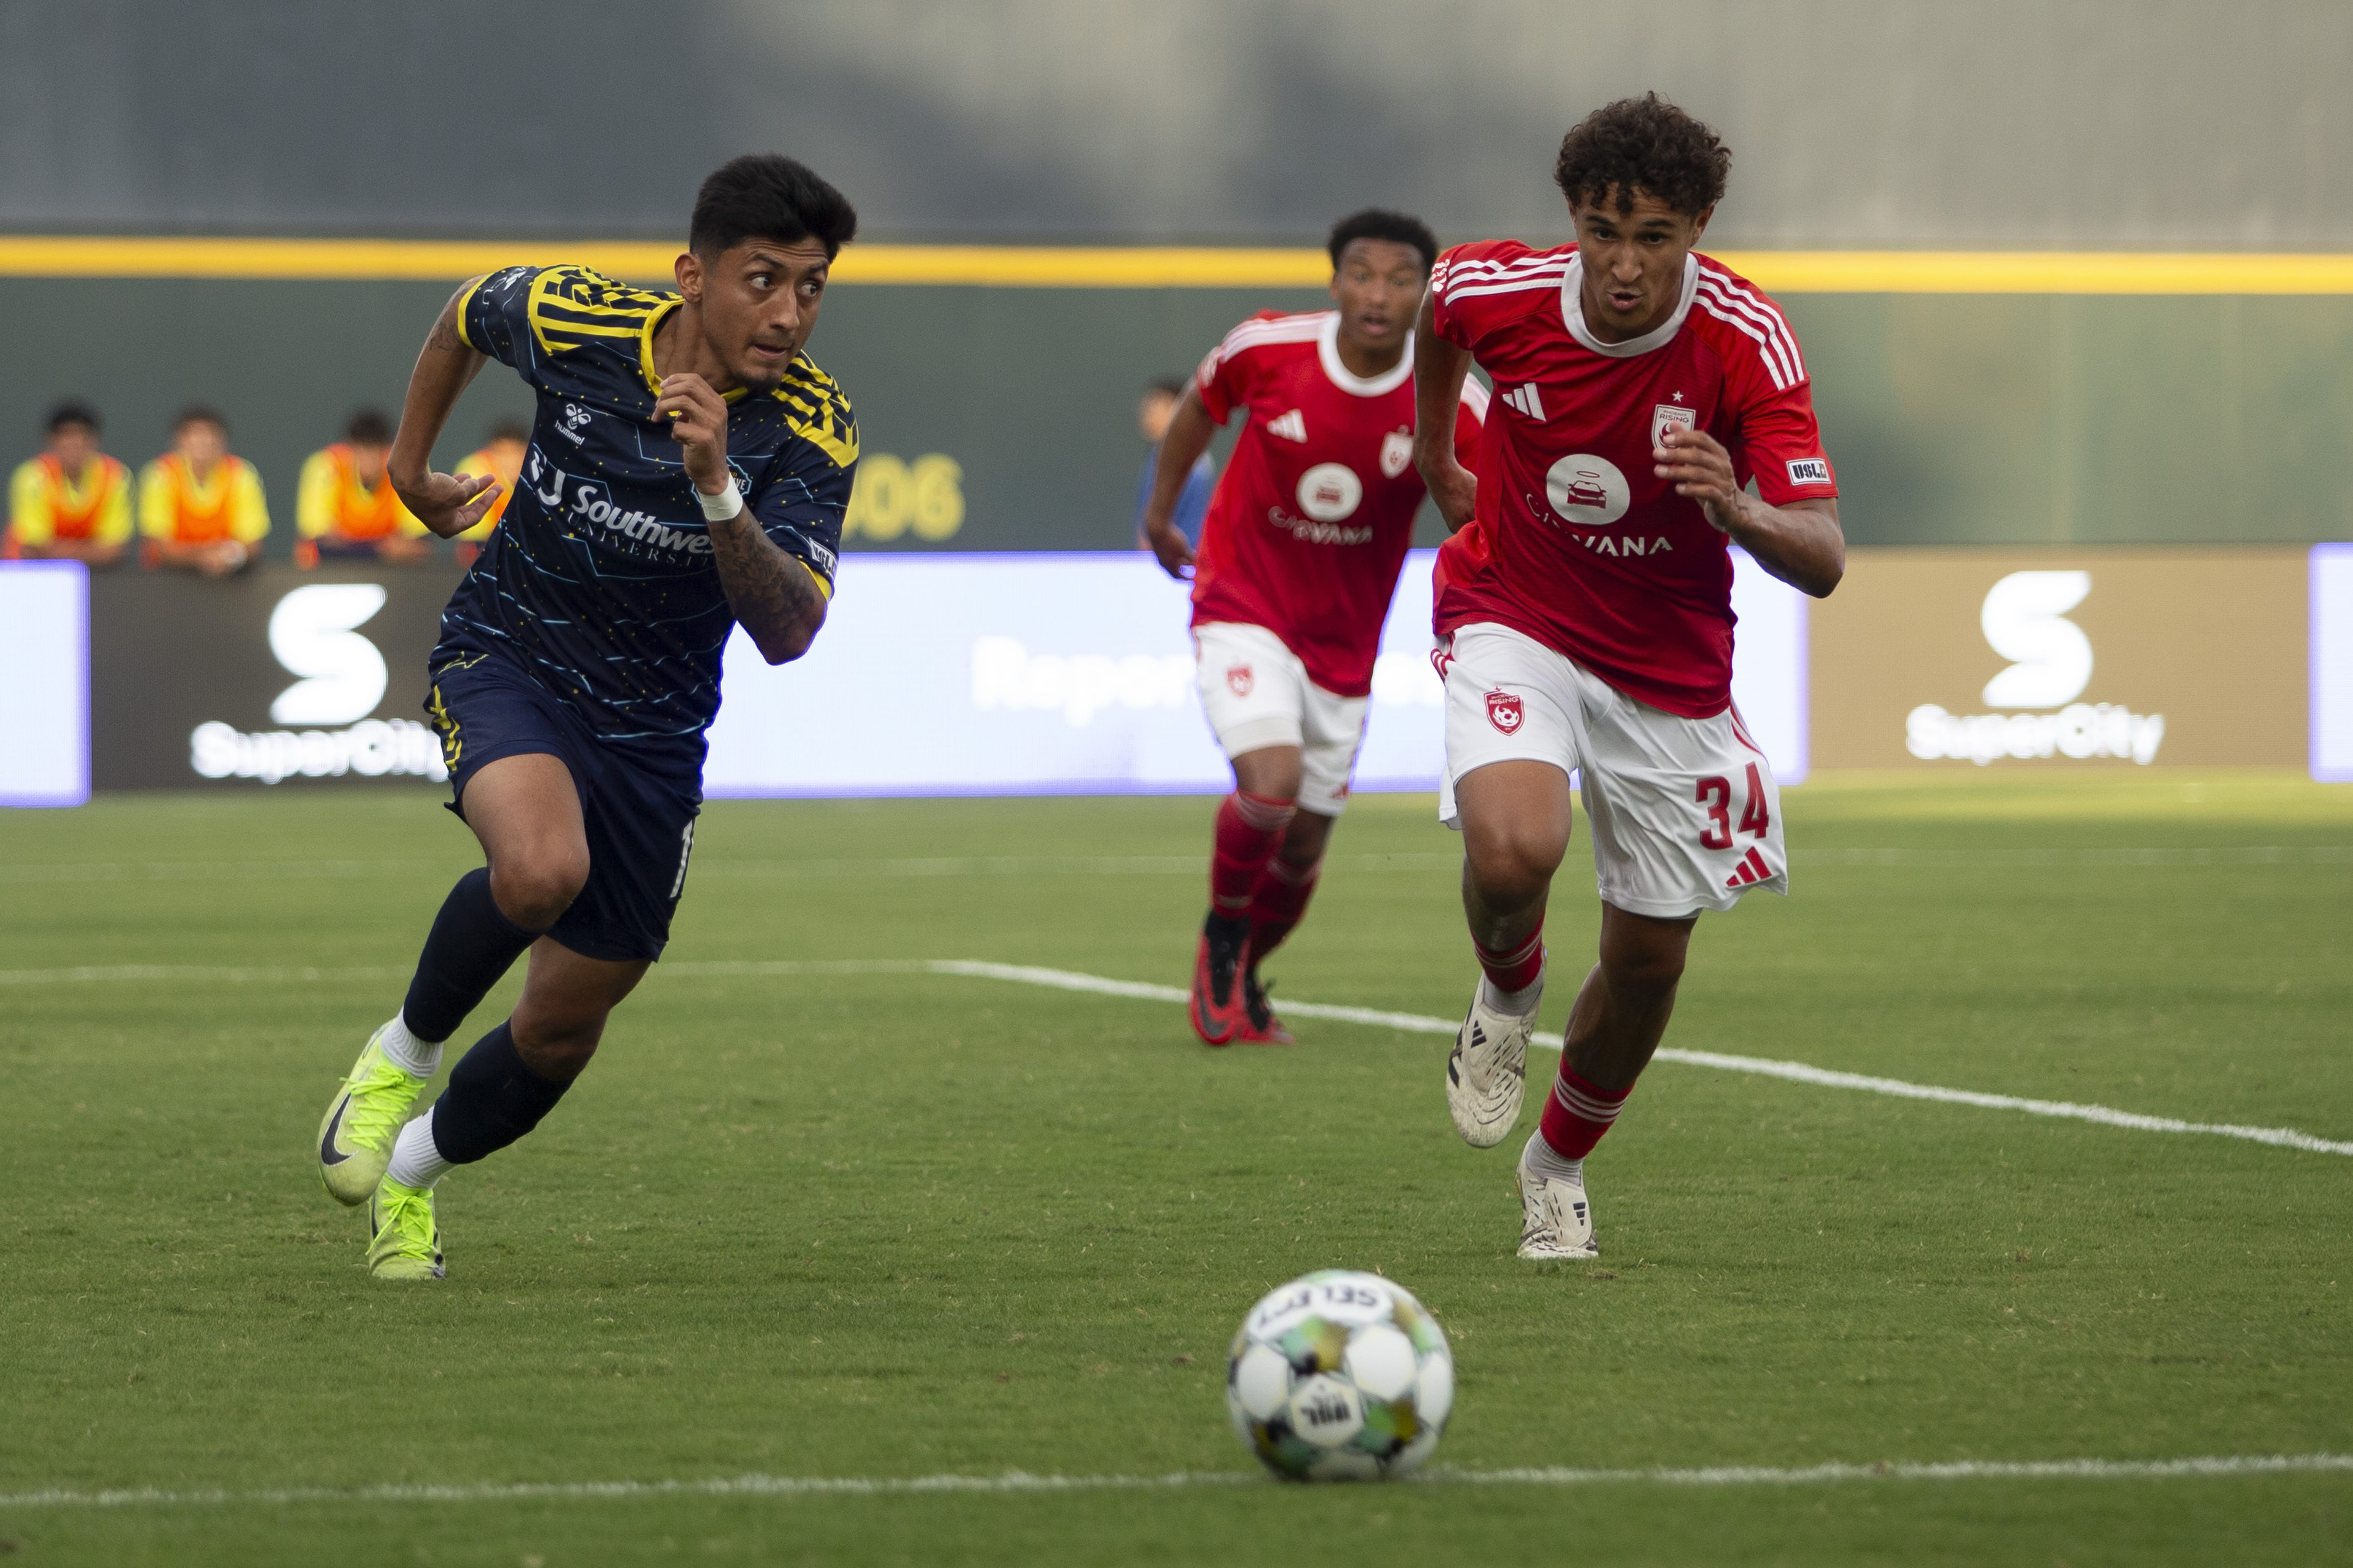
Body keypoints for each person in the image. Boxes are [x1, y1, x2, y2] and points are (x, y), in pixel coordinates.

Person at [312, 154, 859, 1281]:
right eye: (764, 279)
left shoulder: (811, 424)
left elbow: (792, 630)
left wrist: (718, 486)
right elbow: (468, 313)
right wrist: (409, 469)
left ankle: (411, 1179)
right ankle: (399, 1053)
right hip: (512, 653)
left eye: (812, 287)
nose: (789, 311)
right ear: (691, 275)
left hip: (656, 734)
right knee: (541, 869)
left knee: (562, 1028)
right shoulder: (579, 318)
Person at [1411, 95, 1845, 1261]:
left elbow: (1823, 556)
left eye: (1653, 236)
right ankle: (1504, 998)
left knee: (1648, 962)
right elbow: (1438, 312)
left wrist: (1737, 505)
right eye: (1602, 229)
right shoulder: (1498, 291)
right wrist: (1437, 452)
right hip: (1517, 606)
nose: (1621, 262)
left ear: (1698, 228)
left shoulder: (1744, 340)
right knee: (1512, 848)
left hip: (1667, 669)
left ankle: (1554, 1167)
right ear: (1572, 218)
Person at [1143, 209, 1486, 1046]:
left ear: (1425, 292)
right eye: (1363, 275)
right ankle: (1221, 946)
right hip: (1243, 603)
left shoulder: (1448, 389)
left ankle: (1242, 975)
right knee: (1269, 783)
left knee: (1301, 851)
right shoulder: (1268, 348)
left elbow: (1491, 501)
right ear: (1334, 282)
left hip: (1345, 646)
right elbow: (1195, 412)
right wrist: (1160, 517)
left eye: (1401, 279)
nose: (1379, 294)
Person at [140, 407, 269, 575]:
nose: (203, 442)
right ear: (179, 440)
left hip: (229, 582)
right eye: (194, 435)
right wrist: (204, 556)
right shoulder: (160, 475)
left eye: (210, 435)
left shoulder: (242, 475)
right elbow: (159, 545)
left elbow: (253, 545)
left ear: (224, 441)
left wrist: (231, 556)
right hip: (167, 581)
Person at [295, 409, 433, 566]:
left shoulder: (405, 469)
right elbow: (321, 545)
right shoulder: (325, 467)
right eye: (360, 450)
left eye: (374, 450)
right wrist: (383, 549)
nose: (367, 461)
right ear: (349, 448)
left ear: (386, 451)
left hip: (390, 575)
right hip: (329, 575)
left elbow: (420, 547)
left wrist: (347, 543)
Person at [6, 401, 132, 567]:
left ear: (95, 441)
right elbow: (34, 548)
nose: (75, 443)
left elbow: (116, 549)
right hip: (30, 574)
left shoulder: (116, 477)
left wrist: (59, 550)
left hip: (97, 577)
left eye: (83, 435)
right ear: (51, 441)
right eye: (66, 436)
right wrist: (93, 551)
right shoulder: (32, 477)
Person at [1131, 377, 1213, 549]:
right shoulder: (1158, 459)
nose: (1148, 414)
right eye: (1147, 406)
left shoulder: (1190, 465)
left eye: (1157, 406)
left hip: (1178, 562)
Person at [448, 416, 529, 566]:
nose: (510, 461)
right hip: (481, 564)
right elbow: (473, 543)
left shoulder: (539, 472)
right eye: (502, 453)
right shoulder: (476, 470)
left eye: (515, 452)